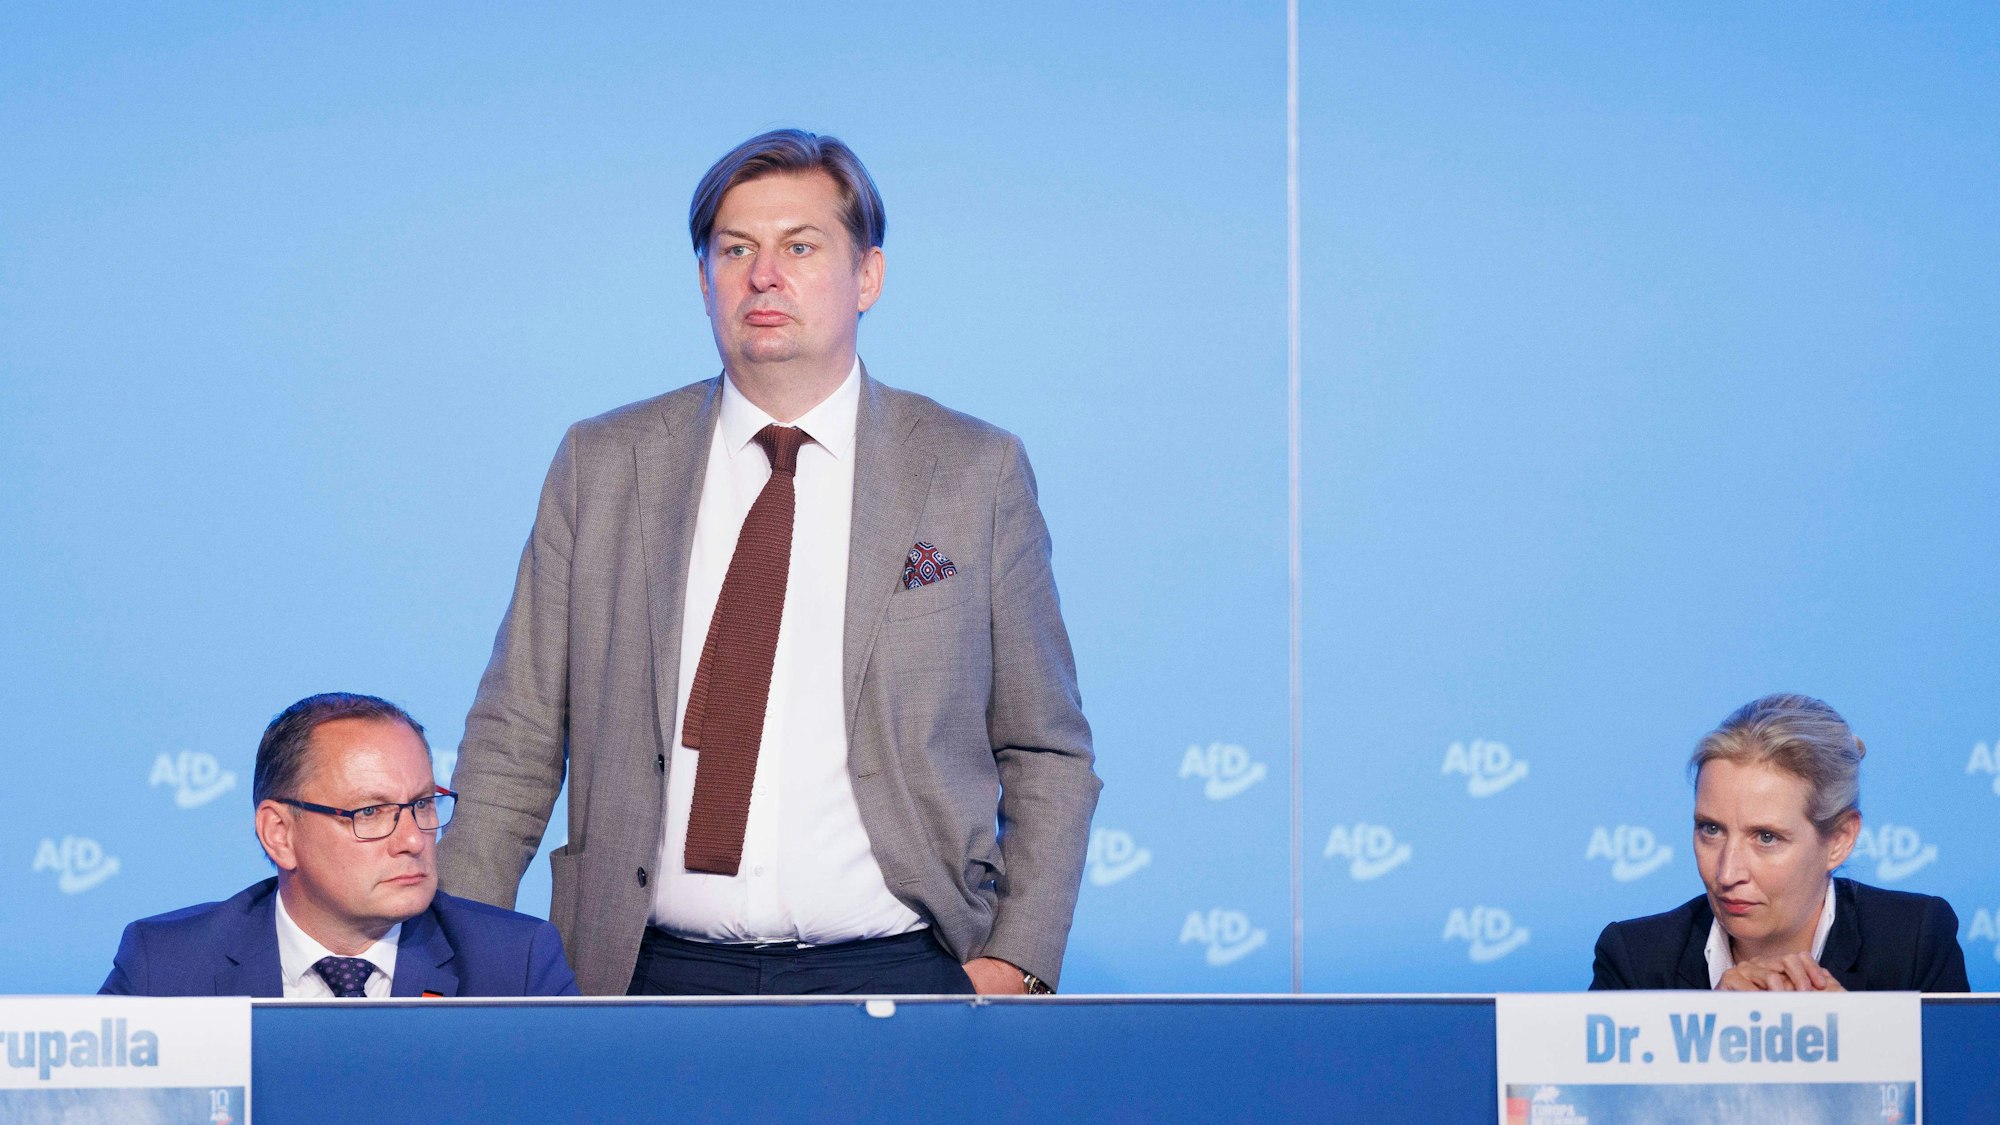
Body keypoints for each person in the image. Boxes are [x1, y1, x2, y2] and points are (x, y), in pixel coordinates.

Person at [438, 128, 1099, 997]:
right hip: (644, 971)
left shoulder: (973, 470)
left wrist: (1016, 959)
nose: (763, 274)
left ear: (868, 276)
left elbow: (1044, 746)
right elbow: (515, 736)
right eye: (735, 248)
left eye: (800, 245)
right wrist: (446, 961)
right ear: (704, 277)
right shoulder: (603, 463)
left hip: (903, 968)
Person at [100, 693, 578, 997]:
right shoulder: (165, 970)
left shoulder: (516, 967)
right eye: (370, 812)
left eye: (423, 805)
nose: (412, 839)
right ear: (279, 834)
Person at [1591, 693, 1968, 992]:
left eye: (1766, 837)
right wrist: (1707, 1033)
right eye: (1711, 830)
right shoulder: (1633, 961)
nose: (1727, 873)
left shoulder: (1914, 943)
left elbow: (1959, 1089)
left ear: (1839, 839)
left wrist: (1851, 1038)